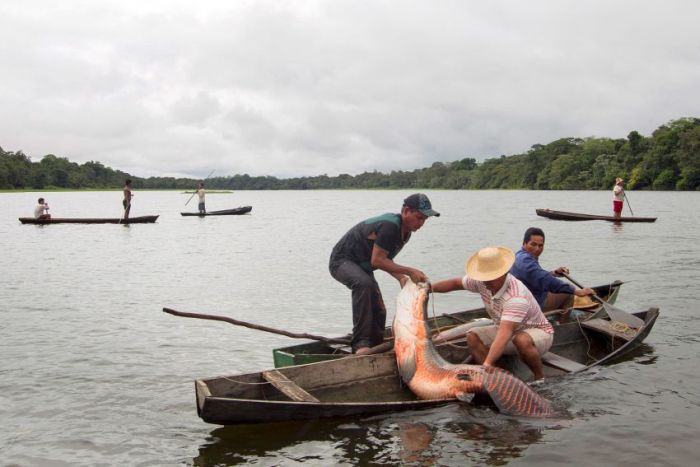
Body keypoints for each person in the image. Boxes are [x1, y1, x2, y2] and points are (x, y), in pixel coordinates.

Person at [329, 193, 440, 355]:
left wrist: (401, 277)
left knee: (379, 309)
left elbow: (384, 259)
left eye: (424, 220)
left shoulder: (405, 232)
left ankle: (375, 345)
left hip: (362, 267)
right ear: (406, 211)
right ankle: (360, 344)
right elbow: (377, 261)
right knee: (363, 285)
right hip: (341, 262)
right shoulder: (390, 226)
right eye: (418, 218)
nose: (421, 223)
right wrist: (409, 271)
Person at [431, 246, 553, 380]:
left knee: (521, 340)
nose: (486, 282)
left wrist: (487, 362)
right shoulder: (482, 282)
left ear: (504, 273)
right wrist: (429, 288)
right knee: (472, 335)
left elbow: (504, 334)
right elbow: (455, 283)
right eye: (484, 277)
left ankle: (540, 377)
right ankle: (497, 378)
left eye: (491, 278)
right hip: (507, 331)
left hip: (537, 332)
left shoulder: (516, 297)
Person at [510, 227, 595, 312]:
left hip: (524, 298)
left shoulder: (518, 255)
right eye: (533, 244)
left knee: (561, 288)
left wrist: (554, 273)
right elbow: (544, 278)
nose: (537, 249)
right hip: (531, 305)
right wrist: (576, 291)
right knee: (568, 292)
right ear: (524, 243)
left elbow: (535, 275)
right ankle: (563, 323)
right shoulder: (525, 261)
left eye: (540, 245)